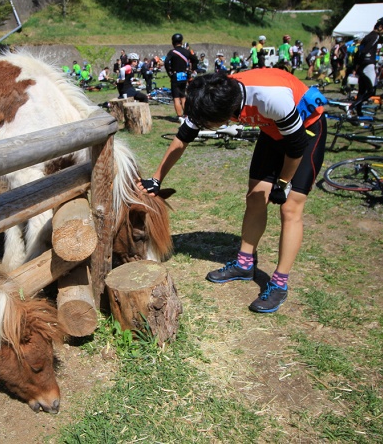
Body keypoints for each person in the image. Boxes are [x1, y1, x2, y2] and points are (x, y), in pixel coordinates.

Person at [138, 69, 327, 313]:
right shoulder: (211, 96)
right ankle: (244, 264)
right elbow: (183, 138)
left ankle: (279, 282)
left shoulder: (271, 99)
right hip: (272, 131)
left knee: (290, 207)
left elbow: (297, 146)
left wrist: (283, 183)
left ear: (225, 114)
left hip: (306, 131)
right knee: (255, 197)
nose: (205, 127)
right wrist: (156, 179)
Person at [349, 17, 383, 117]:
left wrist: (356, 65)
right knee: (371, 90)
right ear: (380, 27)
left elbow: (358, 51)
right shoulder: (375, 36)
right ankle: (353, 106)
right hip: (368, 65)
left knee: (361, 91)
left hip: (362, 65)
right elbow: (365, 51)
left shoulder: (367, 36)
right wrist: (365, 61)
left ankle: (359, 111)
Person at [164, 33, 198, 124]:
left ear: (173, 42)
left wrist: (169, 73)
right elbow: (195, 60)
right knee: (183, 96)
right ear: (181, 41)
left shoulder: (172, 52)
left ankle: (179, 116)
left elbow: (166, 62)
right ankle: (186, 115)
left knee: (176, 97)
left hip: (175, 75)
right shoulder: (187, 51)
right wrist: (191, 70)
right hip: (184, 75)